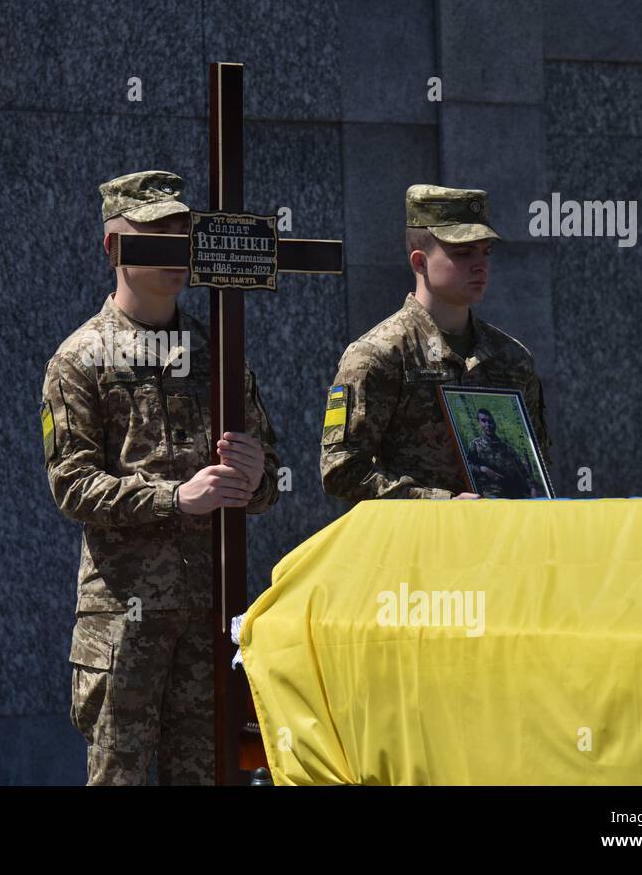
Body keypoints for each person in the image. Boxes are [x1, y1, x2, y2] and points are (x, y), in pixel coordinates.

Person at [41, 169, 282, 785]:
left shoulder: (218, 352)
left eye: (183, 234)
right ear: (113, 247)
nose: (176, 251)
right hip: (124, 619)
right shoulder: (82, 358)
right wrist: (176, 498)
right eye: (156, 235)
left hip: (208, 614)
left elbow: (269, 475)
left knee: (205, 776)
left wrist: (255, 476)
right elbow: (73, 486)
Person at [320, 184, 550, 502]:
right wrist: (438, 504)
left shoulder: (512, 358)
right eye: (463, 253)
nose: (480, 265)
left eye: (485, 252)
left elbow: (537, 466)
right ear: (420, 262)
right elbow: (341, 471)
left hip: (500, 543)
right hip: (416, 546)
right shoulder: (378, 355)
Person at [467, 407, 539, 498]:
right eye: (483, 421)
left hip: (514, 491)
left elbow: (522, 469)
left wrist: (532, 488)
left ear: (495, 423)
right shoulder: (476, 445)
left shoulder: (506, 446)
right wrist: (483, 469)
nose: (487, 425)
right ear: (479, 423)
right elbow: (468, 467)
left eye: (490, 421)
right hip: (492, 494)